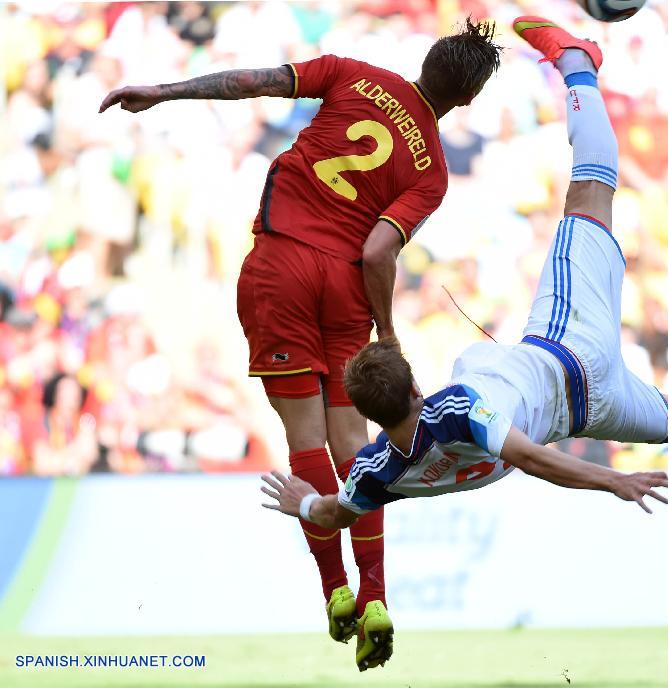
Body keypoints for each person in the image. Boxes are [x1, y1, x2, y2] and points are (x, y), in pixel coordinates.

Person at [259, 15, 668, 669]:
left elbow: (339, 511)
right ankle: (577, 63)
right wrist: (613, 481)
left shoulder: (378, 472)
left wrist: (304, 503)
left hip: (589, 408)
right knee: (590, 190)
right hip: (566, 348)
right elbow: (530, 457)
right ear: (414, 388)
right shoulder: (455, 409)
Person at [99, 19, 502, 666]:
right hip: (346, 289)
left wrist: (165, 92)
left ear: (427, 59)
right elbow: (378, 252)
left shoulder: (353, 74)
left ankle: (337, 591)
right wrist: (388, 335)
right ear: (468, 99)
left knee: (306, 439)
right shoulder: (432, 172)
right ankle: (376, 595)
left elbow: (251, 83)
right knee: (355, 447)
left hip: (283, 266)